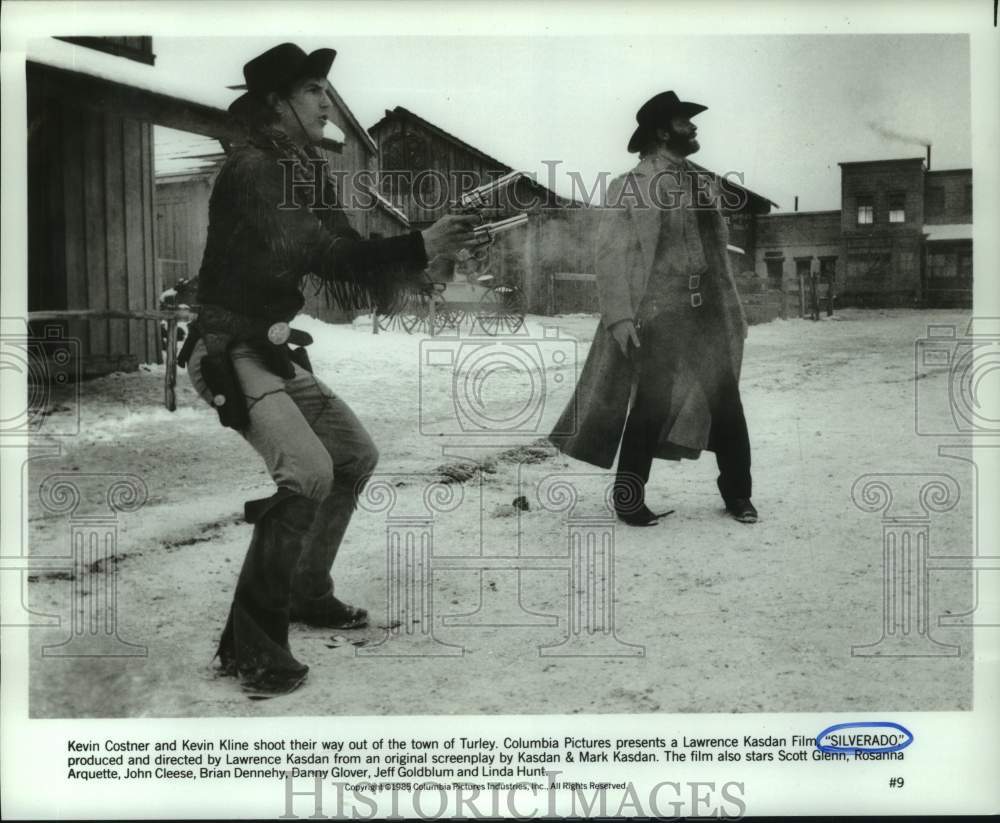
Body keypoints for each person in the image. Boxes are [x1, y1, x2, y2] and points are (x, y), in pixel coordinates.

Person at [181, 43, 480, 695]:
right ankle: (250, 649)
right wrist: (418, 242)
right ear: (276, 103)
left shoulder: (303, 169)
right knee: (308, 472)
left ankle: (305, 590)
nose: (327, 102)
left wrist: (423, 260)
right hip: (227, 350)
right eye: (313, 90)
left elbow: (344, 249)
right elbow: (319, 252)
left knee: (351, 454)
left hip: (268, 349)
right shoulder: (255, 169)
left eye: (324, 90)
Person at [549, 91, 757, 527]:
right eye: (684, 122)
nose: (694, 127)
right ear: (663, 132)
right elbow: (610, 256)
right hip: (661, 313)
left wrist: (733, 309)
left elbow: (717, 253)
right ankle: (628, 500)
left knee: (727, 405)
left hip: (707, 312)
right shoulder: (630, 185)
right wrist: (620, 317)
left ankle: (739, 495)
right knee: (650, 407)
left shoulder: (702, 182)